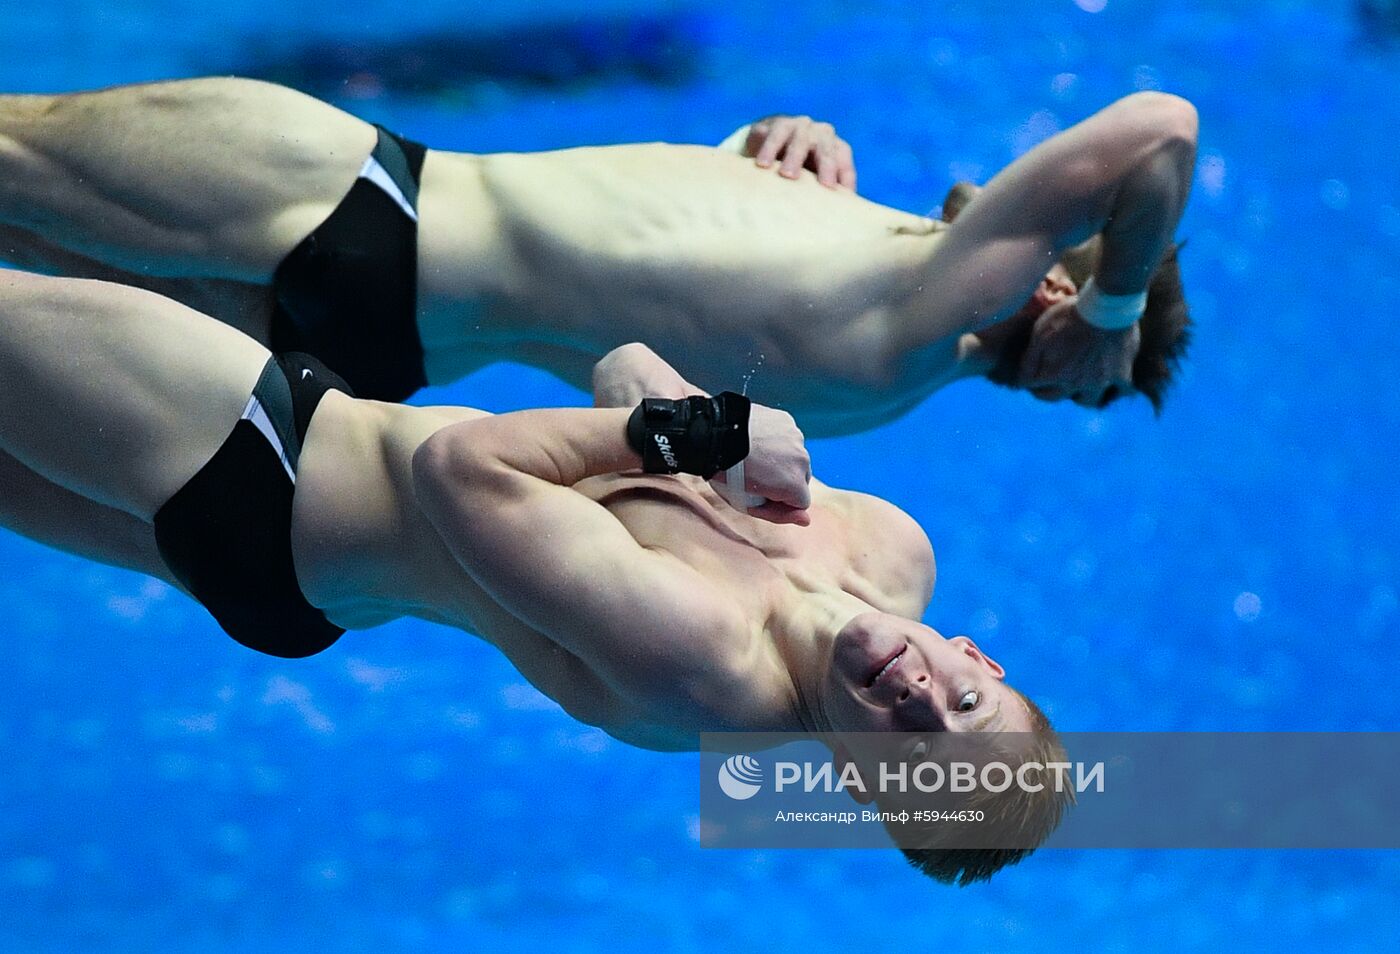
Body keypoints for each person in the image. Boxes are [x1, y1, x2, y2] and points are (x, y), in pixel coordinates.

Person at [0, 267, 1068, 884]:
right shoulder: (889, 550)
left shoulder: (701, 666)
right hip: (303, 531)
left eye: (912, 741)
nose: (920, 696)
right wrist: (690, 430)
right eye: (962, 698)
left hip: (262, 473)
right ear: (976, 652)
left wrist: (705, 433)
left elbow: (461, 469)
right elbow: (626, 374)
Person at [0, 79, 1197, 433]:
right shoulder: (883, 353)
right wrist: (742, 153)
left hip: (364, 214)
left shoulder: (928, 311)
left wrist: (1114, 310)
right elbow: (657, 286)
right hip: (386, 343)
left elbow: (1156, 131)